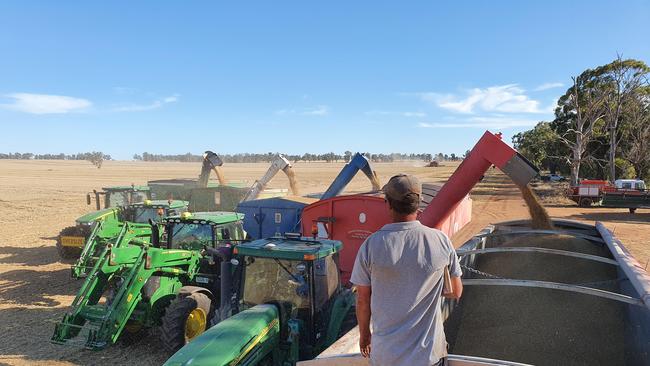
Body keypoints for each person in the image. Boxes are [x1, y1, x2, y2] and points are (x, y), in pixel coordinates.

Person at [351, 174, 463, 366]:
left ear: (388, 204)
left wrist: (364, 336)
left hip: (386, 357)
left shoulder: (371, 245)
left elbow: (363, 300)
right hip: (429, 356)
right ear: (418, 205)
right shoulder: (441, 241)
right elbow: (455, 291)